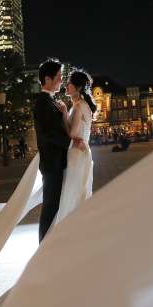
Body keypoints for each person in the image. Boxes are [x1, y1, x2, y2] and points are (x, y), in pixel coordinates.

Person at [32, 59, 85, 242]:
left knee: (56, 205)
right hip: (51, 163)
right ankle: (43, 246)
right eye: (59, 77)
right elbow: (48, 134)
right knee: (50, 206)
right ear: (47, 79)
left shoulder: (50, 102)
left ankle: (51, 243)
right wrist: (71, 144)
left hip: (57, 162)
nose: (62, 81)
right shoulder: (42, 103)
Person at [53, 69, 96, 227]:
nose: (66, 85)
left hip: (76, 153)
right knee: (79, 191)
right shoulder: (84, 106)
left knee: (71, 191)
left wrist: (64, 113)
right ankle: (80, 225)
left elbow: (71, 133)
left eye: (69, 83)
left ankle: (69, 226)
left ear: (77, 87)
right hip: (84, 152)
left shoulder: (78, 107)